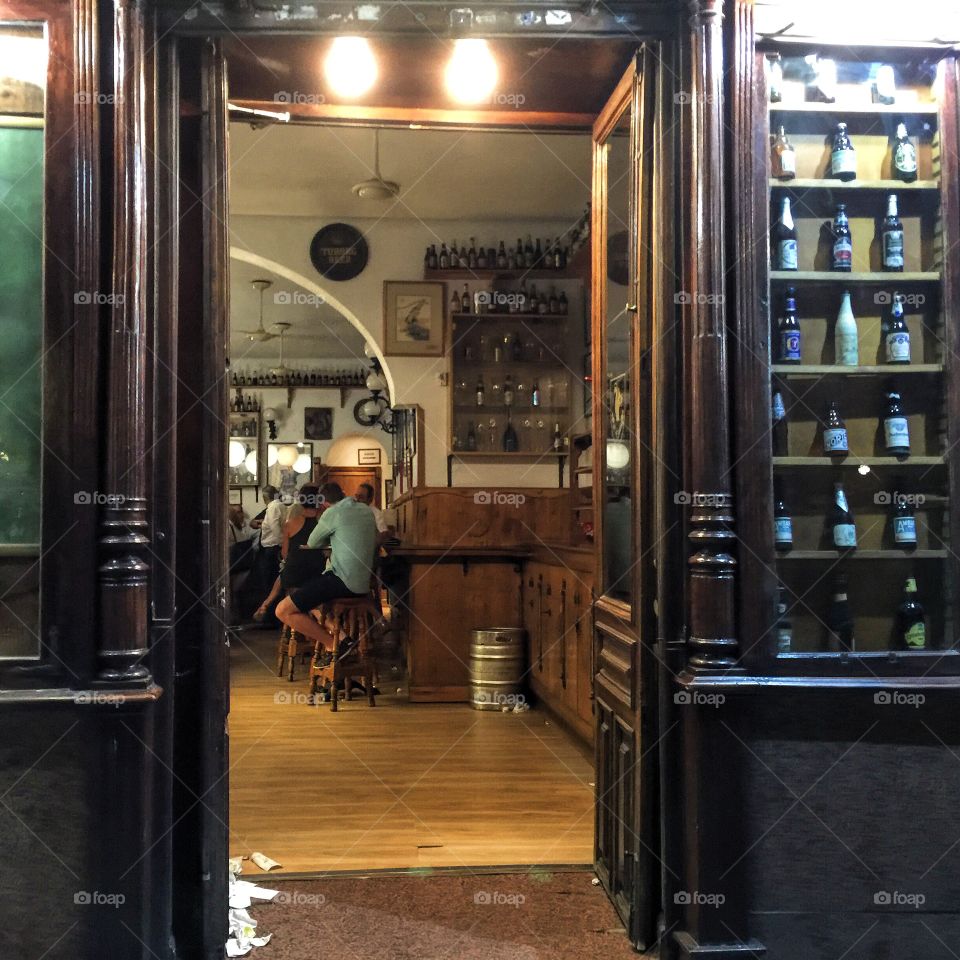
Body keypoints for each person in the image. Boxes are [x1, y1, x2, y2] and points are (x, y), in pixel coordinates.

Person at [276, 482, 377, 655]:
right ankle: (344, 638)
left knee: (283, 610)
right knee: (315, 596)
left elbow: (313, 542)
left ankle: (334, 645)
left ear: (323, 503)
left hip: (342, 580)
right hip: (364, 584)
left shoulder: (332, 513)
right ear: (343, 494)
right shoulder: (366, 510)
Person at [252, 485, 326, 621]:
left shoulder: (290, 523)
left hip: (295, 575)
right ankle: (317, 616)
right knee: (288, 570)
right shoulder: (324, 523)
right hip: (317, 573)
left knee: (286, 569)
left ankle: (266, 603)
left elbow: (285, 554)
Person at [249, 485, 284, 623]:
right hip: (273, 549)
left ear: (264, 498)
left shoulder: (273, 507)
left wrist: (282, 544)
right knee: (271, 585)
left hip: (271, 550)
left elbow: (276, 529)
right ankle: (270, 618)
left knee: (268, 585)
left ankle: (269, 620)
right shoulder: (279, 506)